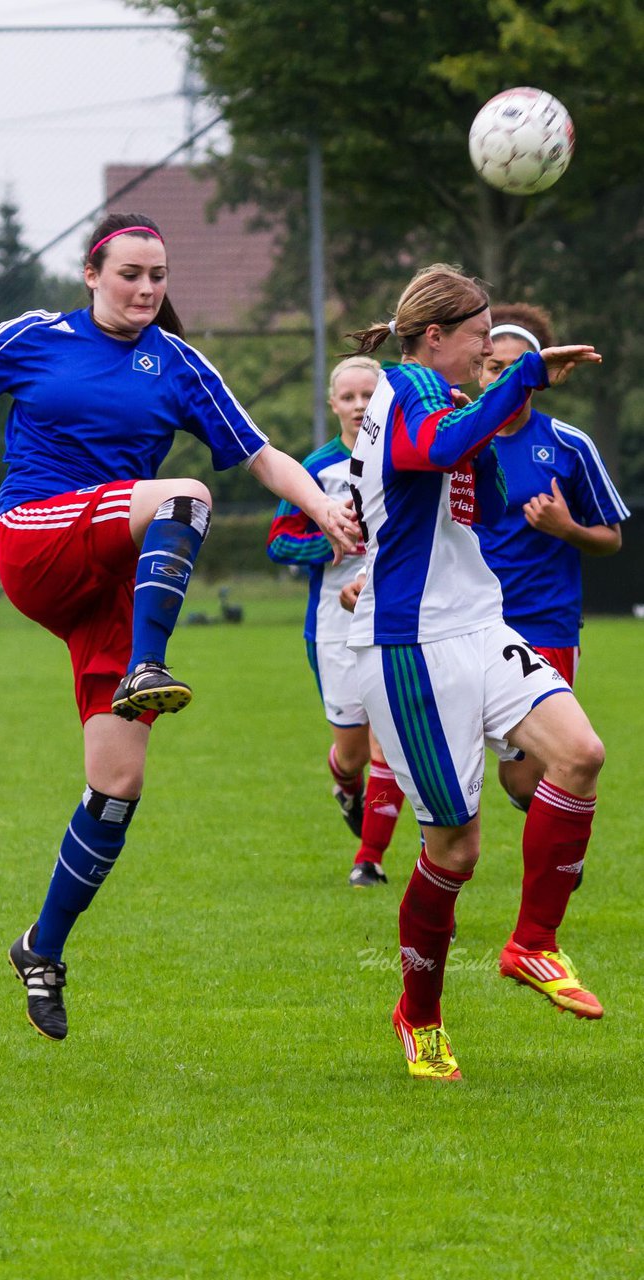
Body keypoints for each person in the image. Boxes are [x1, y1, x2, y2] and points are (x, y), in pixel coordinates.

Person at [0, 211, 358, 1043]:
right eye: (130, 273)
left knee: (119, 786)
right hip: (34, 536)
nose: (145, 288)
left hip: (111, 580)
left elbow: (262, 454)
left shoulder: (179, 364)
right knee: (186, 496)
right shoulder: (37, 335)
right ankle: (149, 666)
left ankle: (42, 947)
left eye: (158, 276)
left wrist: (326, 510)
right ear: (92, 275)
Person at [344, 263, 605, 1081]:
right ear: (436, 337)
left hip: (481, 626)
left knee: (580, 753)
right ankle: (417, 1017)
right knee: (454, 852)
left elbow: (480, 503)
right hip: (411, 646)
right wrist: (518, 380)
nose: (490, 349)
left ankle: (532, 942)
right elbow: (430, 450)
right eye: (480, 336)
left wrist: (504, 419)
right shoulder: (406, 388)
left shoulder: (449, 401)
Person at [474, 302, 629, 817]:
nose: (505, 378)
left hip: (544, 623)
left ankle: (563, 840)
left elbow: (611, 539)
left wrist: (566, 529)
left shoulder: (568, 445)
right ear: (479, 369)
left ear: (539, 376)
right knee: (448, 763)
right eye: (496, 366)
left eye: (520, 368)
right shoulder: (452, 441)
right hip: (463, 624)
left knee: (523, 777)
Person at [266, 356, 405, 887]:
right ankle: (347, 786)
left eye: (369, 395)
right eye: (348, 397)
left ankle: (368, 860)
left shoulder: (402, 459)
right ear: (333, 405)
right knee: (351, 753)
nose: (359, 406)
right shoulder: (316, 468)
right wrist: (325, 542)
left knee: (387, 742)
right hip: (332, 626)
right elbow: (278, 542)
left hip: (394, 616)